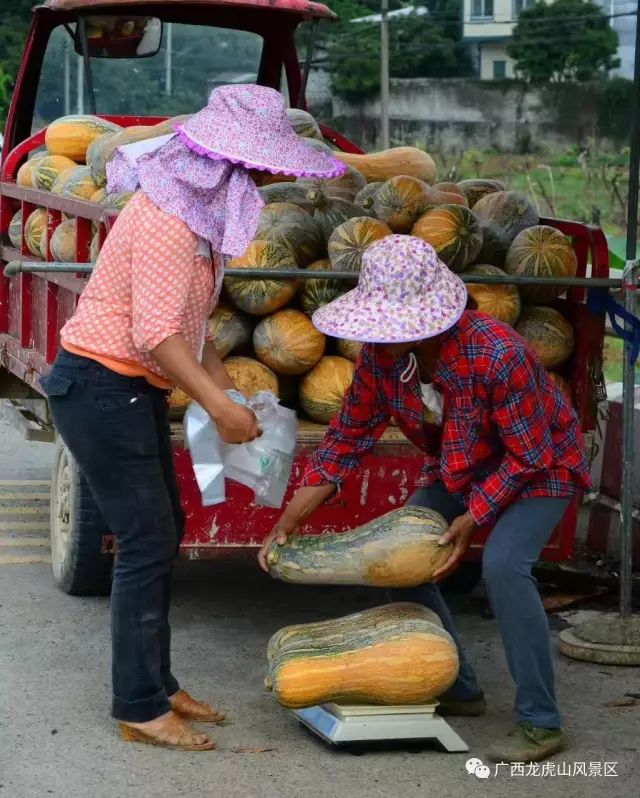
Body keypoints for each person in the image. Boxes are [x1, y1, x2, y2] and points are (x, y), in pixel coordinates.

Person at [42, 85, 346, 752]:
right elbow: (156, 335)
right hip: (99, 386)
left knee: (163, 532)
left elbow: (191, 326)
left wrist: (230, 393)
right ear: (226, 163)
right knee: (145, 540)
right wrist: (215, 406)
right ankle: (139, 705)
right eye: (258, 167)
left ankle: (158, 682)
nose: (263, 180)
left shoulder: (198, 219)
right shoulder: (168, 219)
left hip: (128, 390)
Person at [259, 235, 591, 764]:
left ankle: (540, 721)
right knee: (402, 556)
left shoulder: (499, 354)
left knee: (505, 566)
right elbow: (348, 436)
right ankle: (460, 687)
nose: (378, 337)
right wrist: (296, 511)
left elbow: (529, 455)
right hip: (463, 466)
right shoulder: (381, 359)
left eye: (392, 326)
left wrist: (473, 516)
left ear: (430, 323)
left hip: (541, 467)